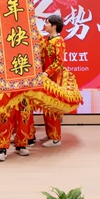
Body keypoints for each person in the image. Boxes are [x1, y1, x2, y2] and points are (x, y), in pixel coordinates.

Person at [38, 14, 66, 147]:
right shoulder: (47, 40)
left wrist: (47, 72)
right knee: (46, 105)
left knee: (53, 106)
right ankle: (50, 133)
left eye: (47, 22)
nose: (45, 24)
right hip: (46, 78)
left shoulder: (58, 41)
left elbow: (59, 61)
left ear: (54, 26)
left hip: (54, 79)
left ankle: (56, 138)